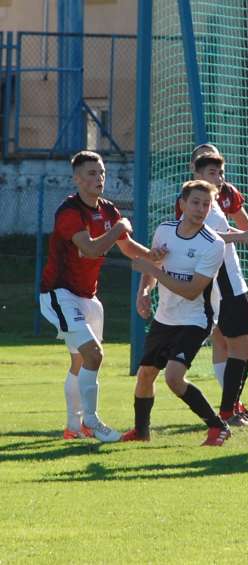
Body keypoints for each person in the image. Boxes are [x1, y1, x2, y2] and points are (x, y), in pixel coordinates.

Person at [39, 150, 162, 442]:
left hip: (88, 297)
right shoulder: (69, 212)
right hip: (60, 294)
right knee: (94, 354)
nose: (99, 178)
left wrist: (153, 255)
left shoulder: (107, 209)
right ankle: (91, 422)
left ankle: (73, 427)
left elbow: (127, 246)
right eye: (92, 173)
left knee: (80, 361)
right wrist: (119, 227)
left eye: (102, 172)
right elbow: (93, 248)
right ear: (77, 179)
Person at [122, 180, 231, 446]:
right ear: (182, 204)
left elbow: (192, 290)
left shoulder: (213, 244)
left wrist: (153, 269)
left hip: (195, 320)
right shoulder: (165, 230)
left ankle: (218, 427)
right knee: (145, 375)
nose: (201, 209)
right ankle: (141, 433)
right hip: (165, 318)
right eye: (195, 202)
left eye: (207, 204)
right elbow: (153, 264)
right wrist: (144, 293)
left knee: (173, 377)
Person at [174, 143, 248, 425]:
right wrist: (246, 237)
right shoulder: (196, 205)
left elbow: (224, 230)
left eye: (221, 173)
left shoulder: (215, 202)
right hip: (222, 284)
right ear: (197, 172)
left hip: (234, 280)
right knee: (239, 347)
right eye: (213, 172)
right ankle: (229, 412)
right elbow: (209, 236)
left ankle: (233, 404)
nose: (219, 178)